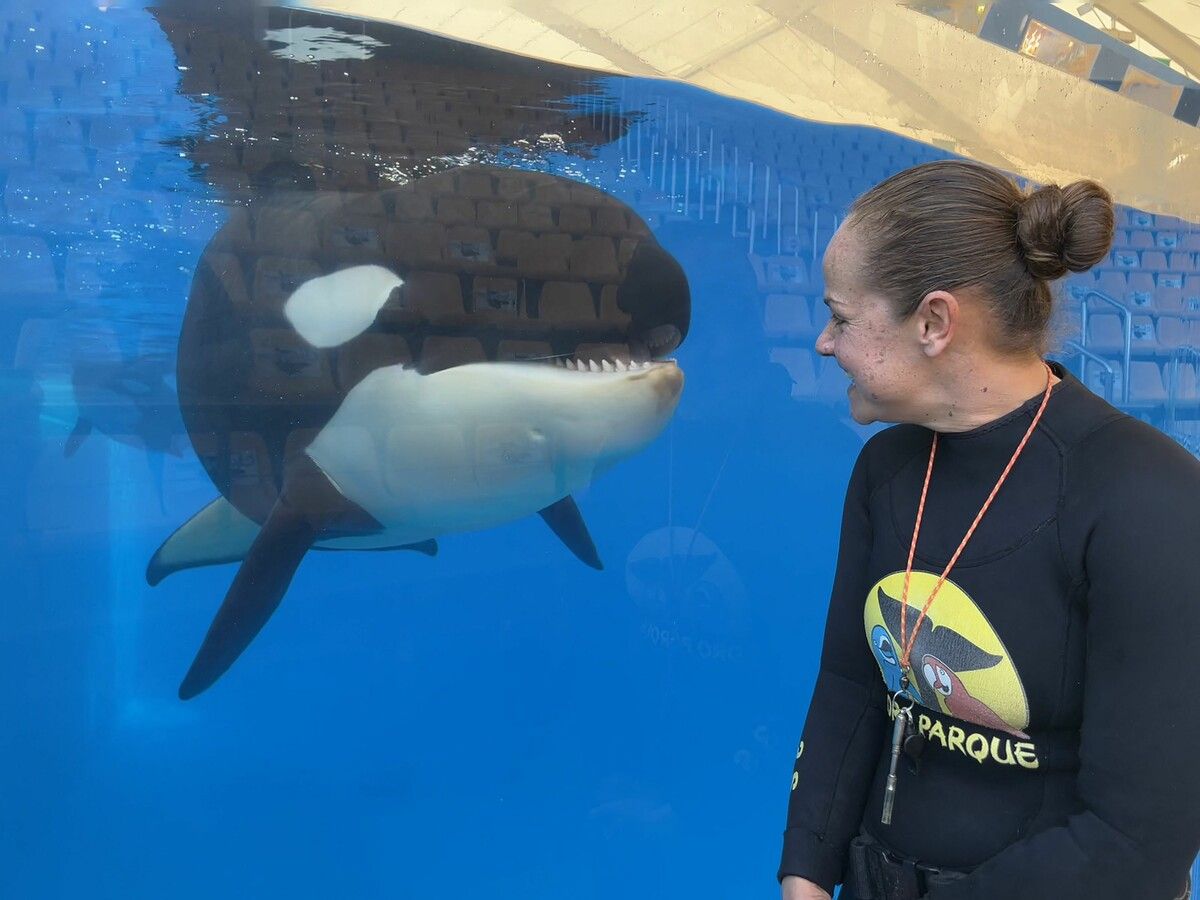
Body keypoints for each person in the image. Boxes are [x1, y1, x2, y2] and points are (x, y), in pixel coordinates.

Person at [777, 159, 1200, 900]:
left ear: (934, 323)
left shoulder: (1149, 496)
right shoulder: (886, 469)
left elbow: (1138, 843)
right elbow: (851, 683)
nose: (823, 342)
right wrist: (806, 871)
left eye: (841, 317)